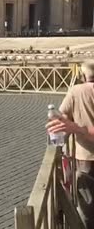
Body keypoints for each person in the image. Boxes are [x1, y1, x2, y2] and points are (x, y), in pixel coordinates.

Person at [46, 60, 94, 228]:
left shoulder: (76, 92)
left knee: (87, 210)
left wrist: (73, 127)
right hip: (84, 159)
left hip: (85, 158)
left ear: (82, 76)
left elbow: (62, 118)